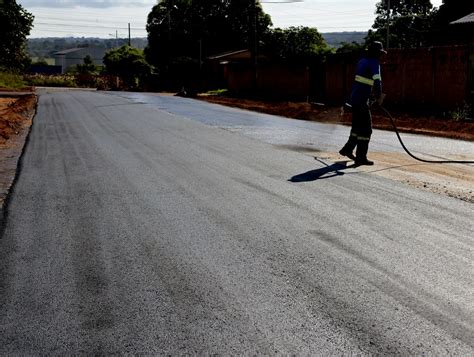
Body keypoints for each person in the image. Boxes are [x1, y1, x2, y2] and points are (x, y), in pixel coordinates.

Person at [339, 41, 386, 166]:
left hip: (355, 98)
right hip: (361, 100)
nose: (381, 56)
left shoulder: (362, 61)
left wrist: (370, 96)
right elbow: (377, 81)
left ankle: (347, 149)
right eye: (380, 53)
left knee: (357, 127)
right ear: (377, 53)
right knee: (366, 129)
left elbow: (363, 82)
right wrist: (379, 96)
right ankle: (361, 157)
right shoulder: (374, 63)